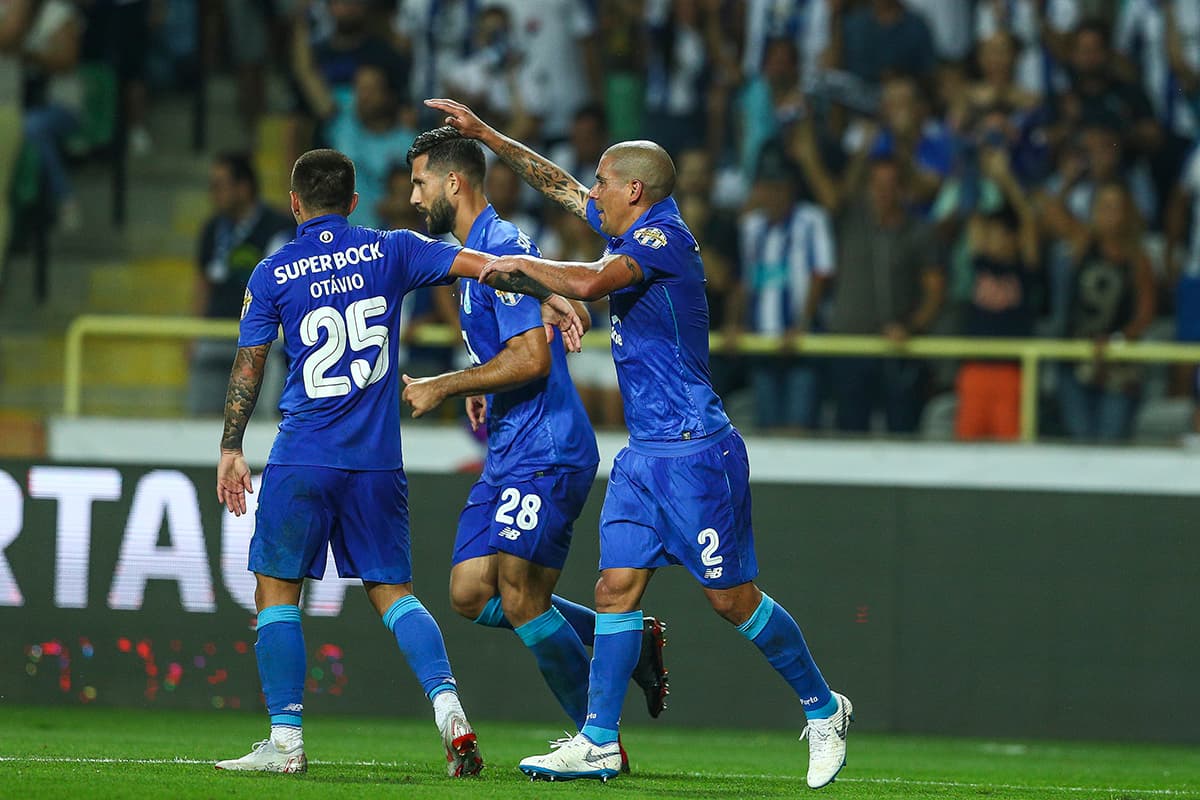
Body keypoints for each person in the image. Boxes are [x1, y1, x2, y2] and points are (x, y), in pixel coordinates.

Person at [425, 97, 852, 789]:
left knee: (731, 599)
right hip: (642, 455)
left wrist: (503, 269)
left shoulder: (663, 241)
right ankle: (598, 739)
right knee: (615, 588)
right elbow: (554, 184)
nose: (588, 192)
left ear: (633, 190)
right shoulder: (626, 223)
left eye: (601, 182)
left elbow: (591, 283)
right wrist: (487, 135)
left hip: (695, 451)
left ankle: (824, 708)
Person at [212, 147, 584, 775]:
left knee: (277, 591)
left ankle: (286, 742)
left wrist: (231, 448)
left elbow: (249, 366)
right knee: (396, 596)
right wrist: (549, 293)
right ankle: (450, 714)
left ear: (296, 203)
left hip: (303, 454)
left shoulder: (272, 273)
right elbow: (488, 266)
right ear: (353, 202)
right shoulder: (394, 248)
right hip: (378, 463)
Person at [400, 127, 670, 769]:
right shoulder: (473, 260)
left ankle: (599, 741)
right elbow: (512, 351)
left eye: (419, 182)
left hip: (547, 448)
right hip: (510, 447)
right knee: (470, 592)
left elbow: (529, 360)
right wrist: (481, 388)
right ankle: (635, 642)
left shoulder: (502, 246)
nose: (413, 198)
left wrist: (447, 383)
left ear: (453, 182)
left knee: (521, 596)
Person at [188, 153, 293, 417]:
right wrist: (193, 334)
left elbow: (284, 288)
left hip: (260, 341)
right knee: (203, 416)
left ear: (243, 188)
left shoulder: (277, 226)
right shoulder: (212, 228)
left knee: (260, 419)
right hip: (216, 333)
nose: (213, 193)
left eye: (219, 186)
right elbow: (203, 282)